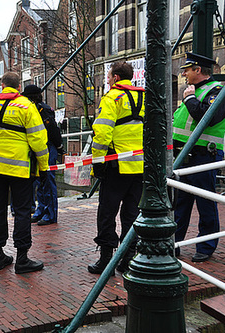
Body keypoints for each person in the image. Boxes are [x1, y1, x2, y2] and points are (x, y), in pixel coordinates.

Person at [0, 72, 49, 274]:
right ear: (18, 87)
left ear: (2, 85)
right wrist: (43, 167)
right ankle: (22, 259)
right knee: (22, 210)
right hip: (19, 168)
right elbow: (38, 140)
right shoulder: (27, 106)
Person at [173, 52, 225, 262]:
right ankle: (175, 243)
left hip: (203, 156)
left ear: (198, 70)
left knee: (206, 202)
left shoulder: (218, 92)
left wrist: (188, 99)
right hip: (183, 157)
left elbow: (206, 117)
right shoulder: (193, 91)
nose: (184, 74)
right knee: (179, 203)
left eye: (187, 70)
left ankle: (206, 246)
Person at [88, 61, 145, 274]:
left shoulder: (112, 97)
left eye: (109, 76)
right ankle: (127, 259)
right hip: (139, 165)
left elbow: (102, 133)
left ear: (117, 78)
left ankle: (106, 261)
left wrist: (98, 162)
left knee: (107, 213)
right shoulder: (145, 96)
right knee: (131, 213)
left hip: (116, 165)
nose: (108, 80)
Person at [22, 84, 64, 226]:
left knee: (47, 180)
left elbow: (53, 130)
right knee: (39, 180)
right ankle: (41, 210)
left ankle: (51, 214)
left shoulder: (43, 110)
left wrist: (59, 147)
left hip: (47, 147)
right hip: (37, 148)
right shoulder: (30, 110)